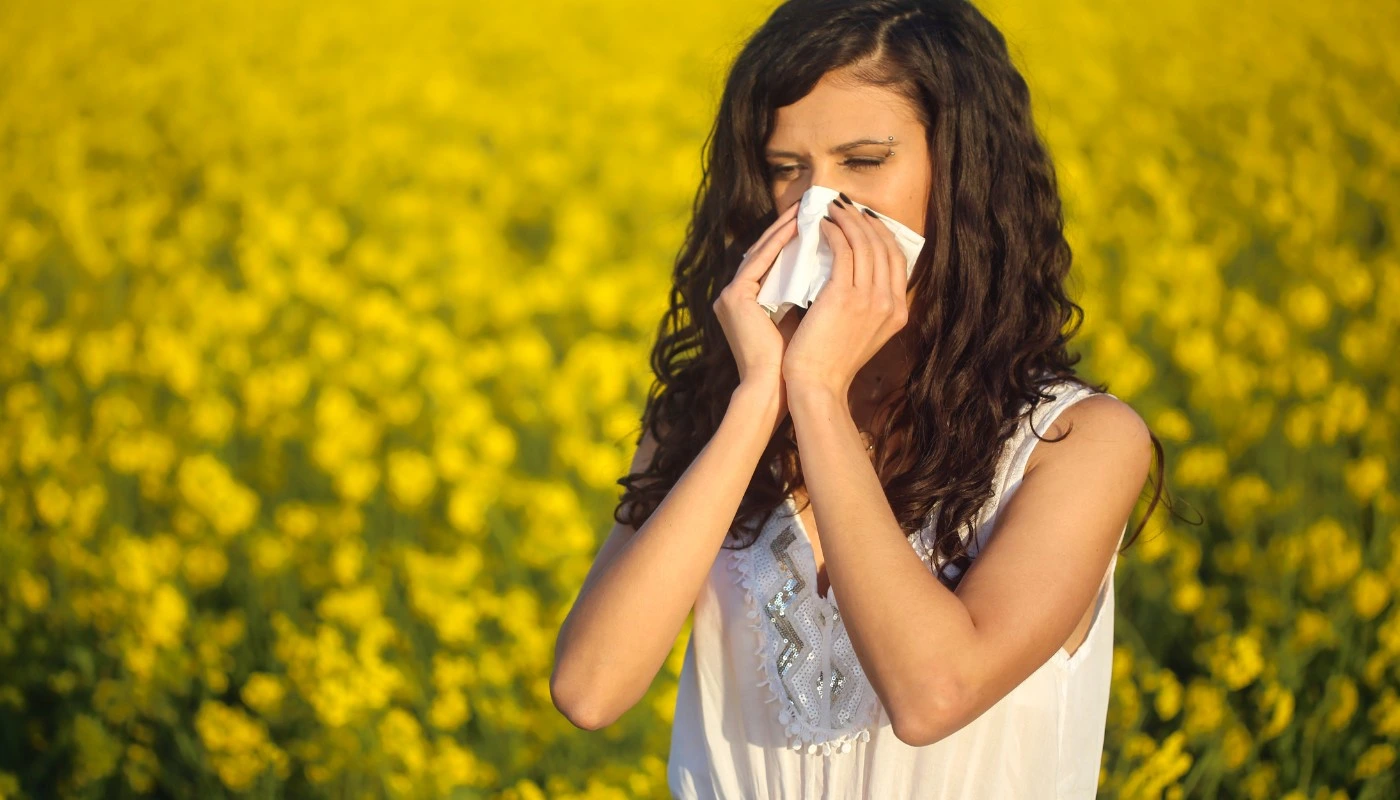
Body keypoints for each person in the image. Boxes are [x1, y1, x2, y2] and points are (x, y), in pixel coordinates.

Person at [552, 0, 1178, 797]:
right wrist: (757, 403)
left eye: (865, 160)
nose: (822, 207)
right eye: (788, 170)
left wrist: (816, 393)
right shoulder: (708, 415)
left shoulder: (1078, 442)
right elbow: (590, 688)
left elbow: (933, 695)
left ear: (961, 174)